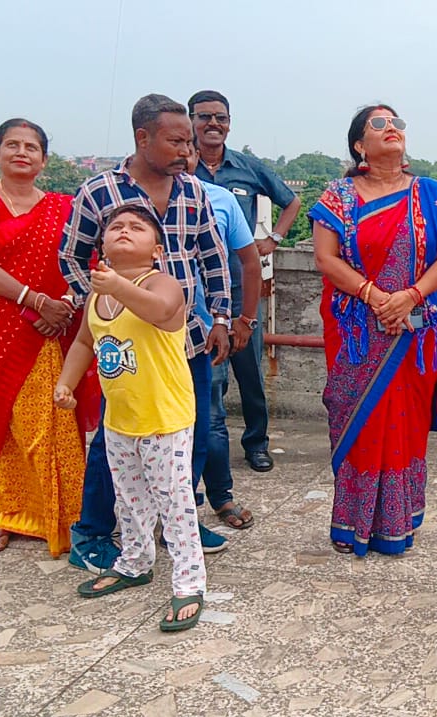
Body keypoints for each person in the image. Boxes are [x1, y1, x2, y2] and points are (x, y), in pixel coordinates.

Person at [59, 93, 232, 571]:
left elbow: (213, 259)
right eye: (175, 140)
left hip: (185, 335)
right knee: (115, 440)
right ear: (142, 138)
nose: (185, 150)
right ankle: (93, 531)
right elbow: (70, 256)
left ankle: (177, 521)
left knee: (188, 435)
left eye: (188, 141)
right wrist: (102, 302)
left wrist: (220, 317)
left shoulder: (193, 191)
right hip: (128, 347)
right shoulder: (99, 192)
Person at [309, 104, 437, 557]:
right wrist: (374, 296)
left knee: (405, 427)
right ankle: (352, 524)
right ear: (360, 145)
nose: (392, 130)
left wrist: (410, 296)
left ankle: (398, 523)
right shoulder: (338, 196)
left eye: (397, 123)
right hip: (358, 332)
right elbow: (326, 258)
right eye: (379, 125)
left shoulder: (433, 193)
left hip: (413, 333)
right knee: (357, 420)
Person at [56, 205, 206, 632]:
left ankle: (189, 581)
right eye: (115, 227)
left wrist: (118, 284)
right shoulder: (98, 294)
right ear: (101, 244)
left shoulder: (163, 283)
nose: (124, 231)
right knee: (130, 499)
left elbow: (161, 312)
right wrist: (66, 382)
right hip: (120, 418)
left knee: (174, 504)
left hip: (164, 417)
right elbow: (86, 340)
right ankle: (135, 562)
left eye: (136, 227)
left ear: (156, 249)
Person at [0, 118, 99, 556]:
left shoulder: (62, 206)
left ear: (44, 158)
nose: (22, 152)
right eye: (12, 145)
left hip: (53, 329)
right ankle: (10, 514)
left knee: (53, 423)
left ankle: (71, 514)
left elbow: (83, 261)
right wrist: (35, 301)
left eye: (31, 147)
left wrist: (63, 309)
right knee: (5, 425)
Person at [190, 90, 301, 473]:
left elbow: (292, 202)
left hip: (243, 286)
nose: (213, 124)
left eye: (220, 117)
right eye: (204, 117)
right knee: (209, 378)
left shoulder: (247, 167)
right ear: (191, 121)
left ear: (229, 123)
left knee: (250, 372)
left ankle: (256, 443)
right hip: (195, 293)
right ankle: (206, 447)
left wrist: (274, 239)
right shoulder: (180, 166)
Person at [186, 150, 262, 529]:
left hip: (204, 330)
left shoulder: (218, 199)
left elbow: (248, 262)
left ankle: (220, 497)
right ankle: (170, 507)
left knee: (211, 417)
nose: (182, 153)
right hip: (147, 335)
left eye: (188, 146)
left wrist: (243, 318)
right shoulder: (132, 199)